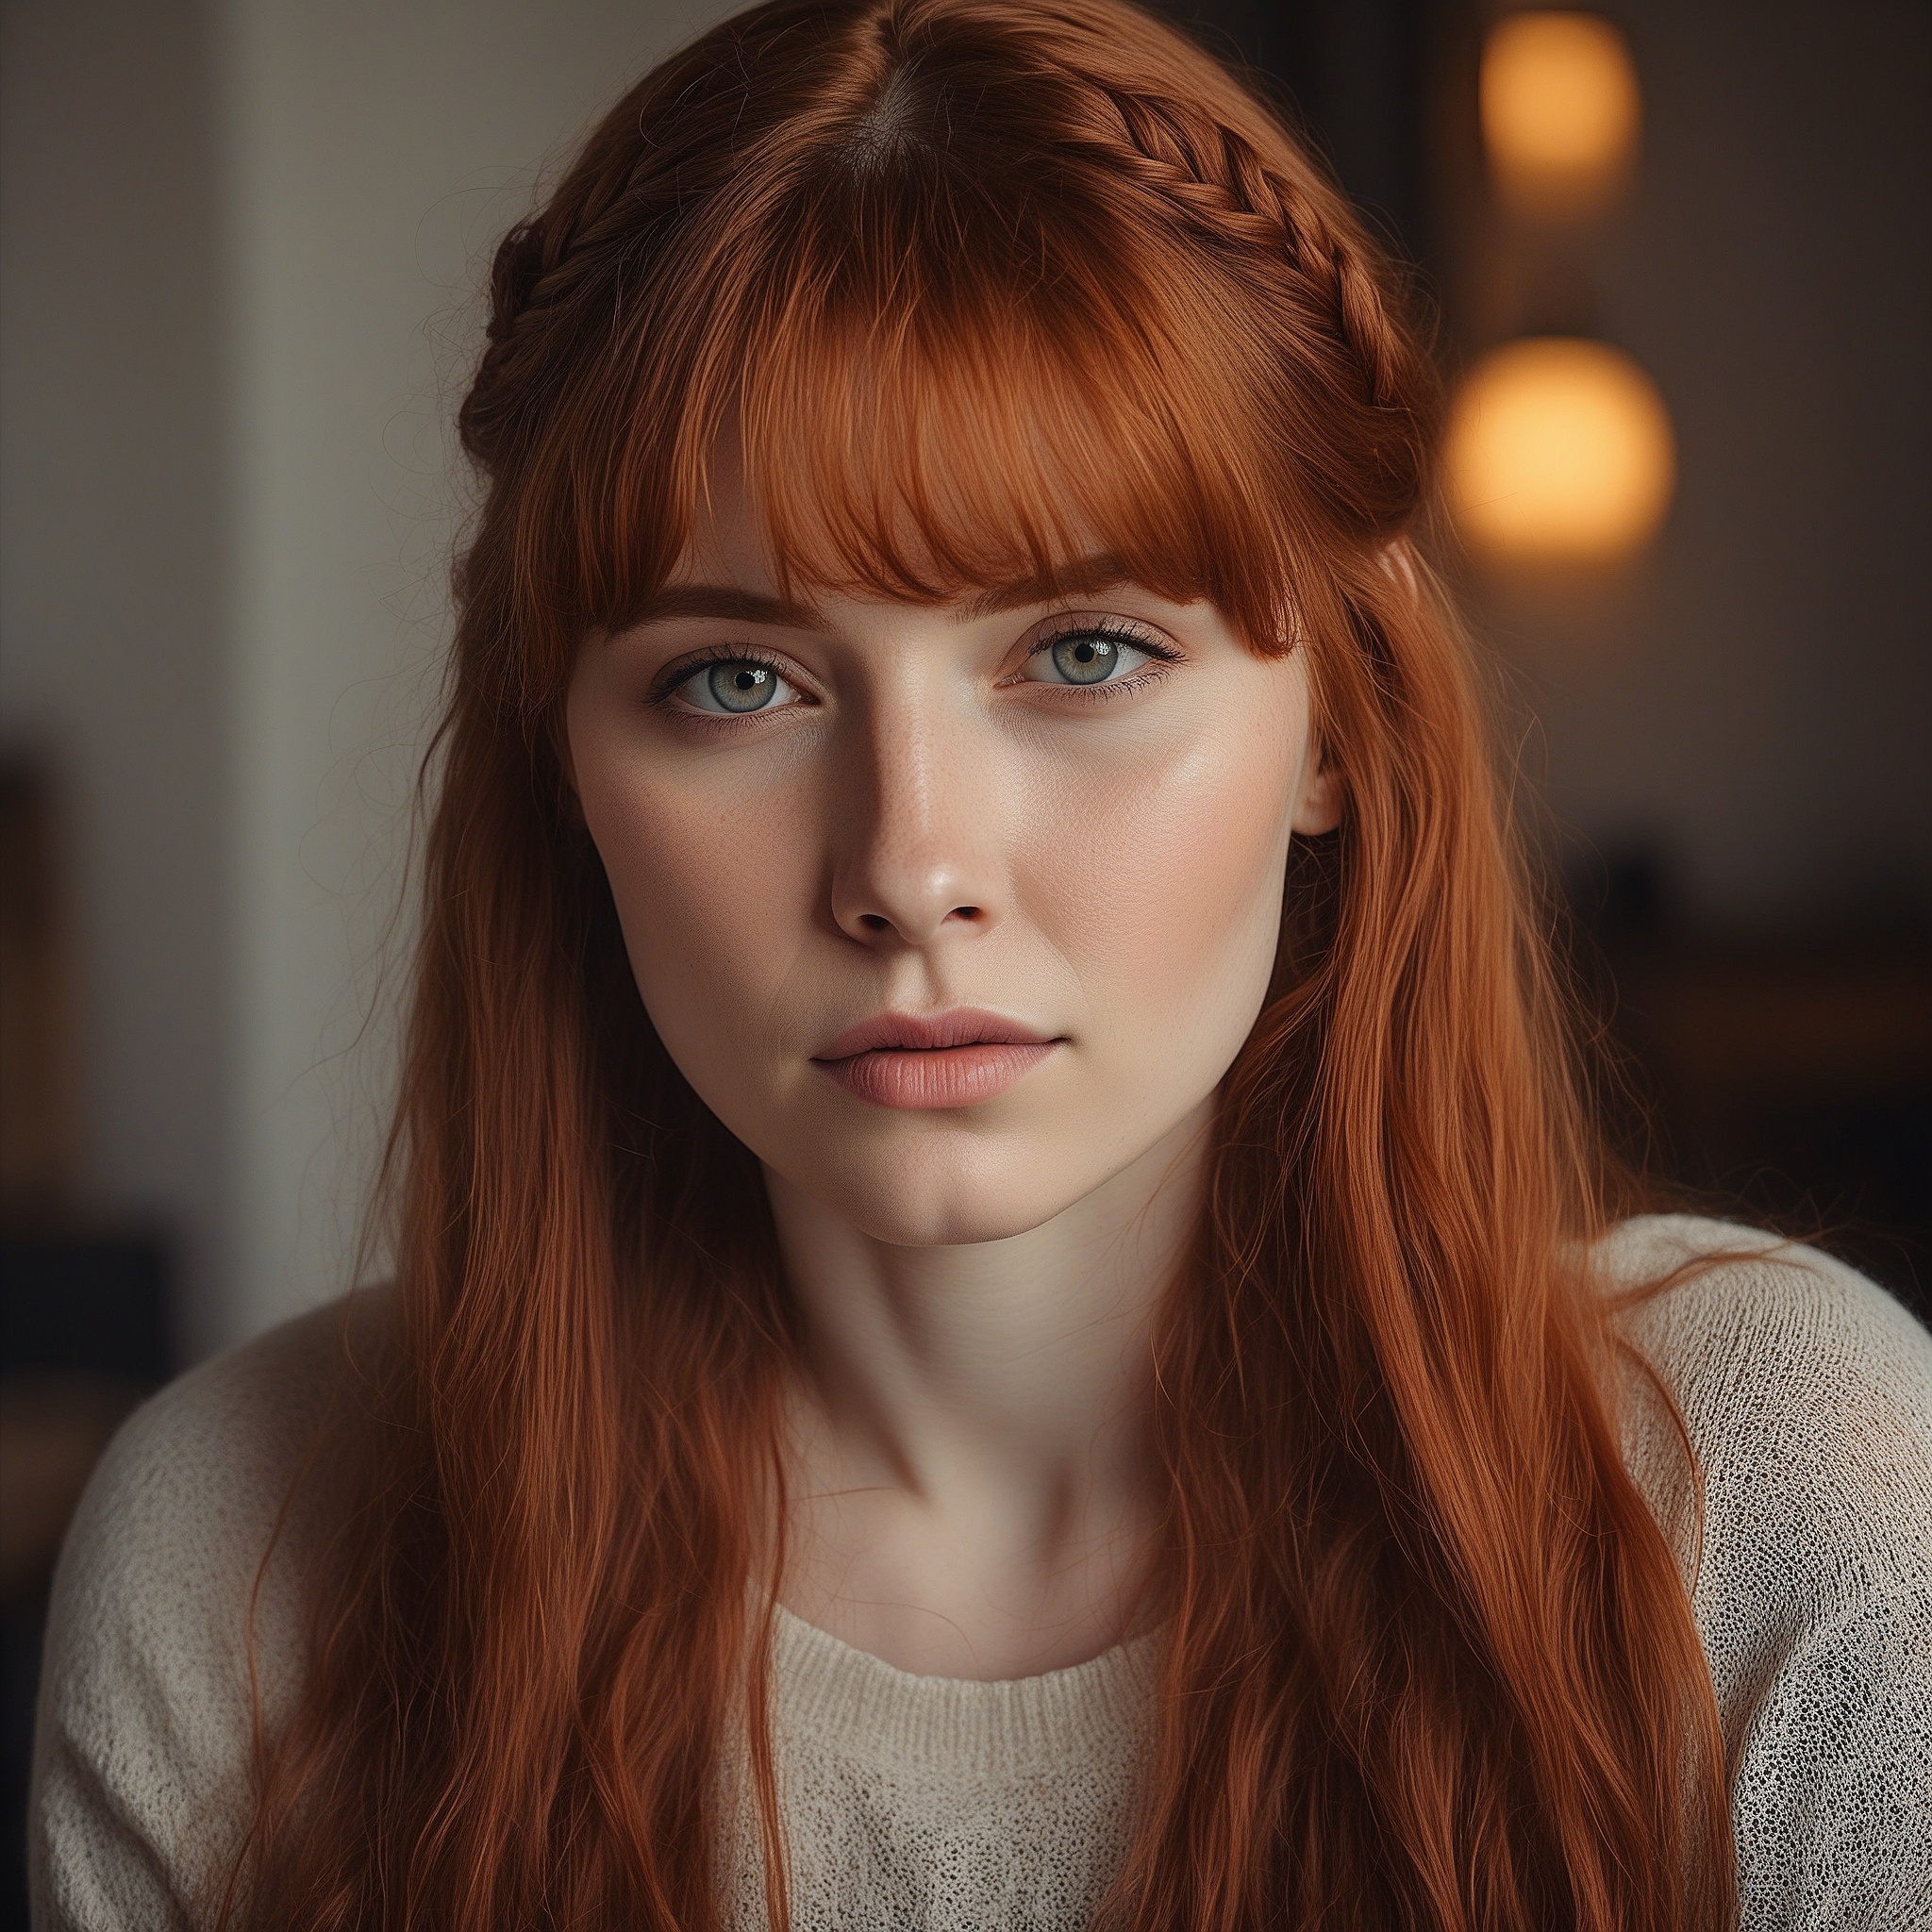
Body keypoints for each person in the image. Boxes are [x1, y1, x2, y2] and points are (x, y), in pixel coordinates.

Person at [28, 1, 1932, 1926]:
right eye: (738, 679)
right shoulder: (242, 1570)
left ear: (1341, 723)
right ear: (564, 767)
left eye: (1083, 651)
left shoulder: (1772, 1509)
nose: (910, 867)